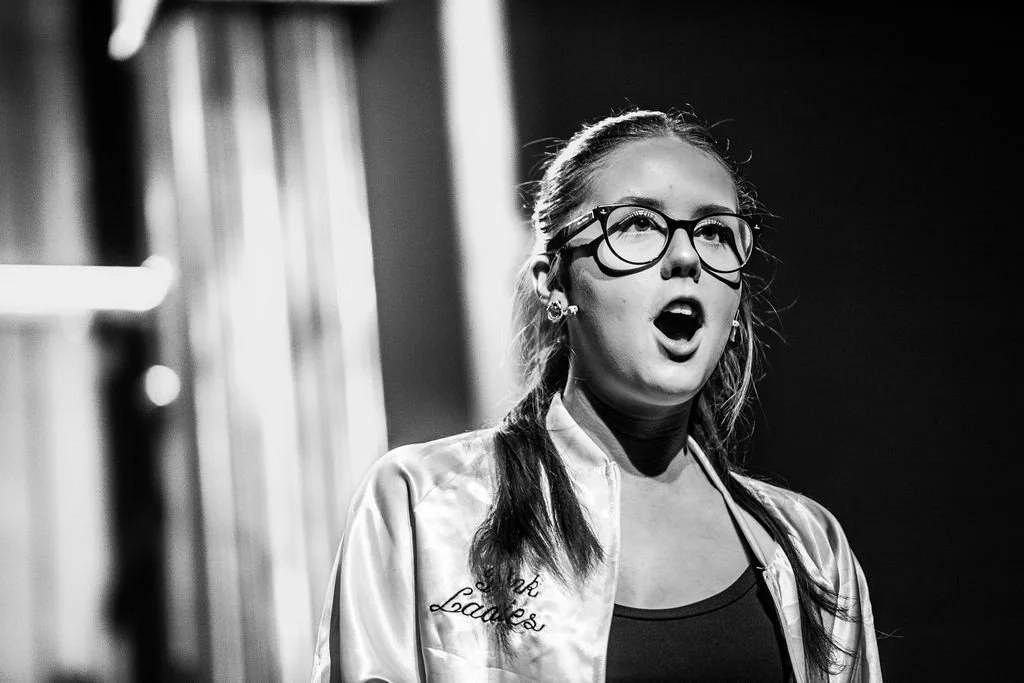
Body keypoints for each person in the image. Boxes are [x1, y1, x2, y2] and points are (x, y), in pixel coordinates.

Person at [311, 109, 882, 682]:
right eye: (637, 224)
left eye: (714, 232)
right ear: (553, 282)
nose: (686, 258)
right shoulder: (424, 504)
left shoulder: (810, 547)